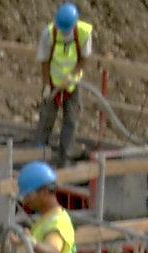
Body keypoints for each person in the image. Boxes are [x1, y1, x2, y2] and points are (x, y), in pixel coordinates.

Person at [34, 3, 93, 167]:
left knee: (71, 120)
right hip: (52, 81)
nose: (64, 32)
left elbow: (84, 58)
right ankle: (39, 154)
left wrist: (73, 75)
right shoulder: (49, 33)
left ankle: (64, 157)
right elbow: (44, 61)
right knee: (46, 117)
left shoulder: (83, 33)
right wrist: (47, 85)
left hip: (72, 84)